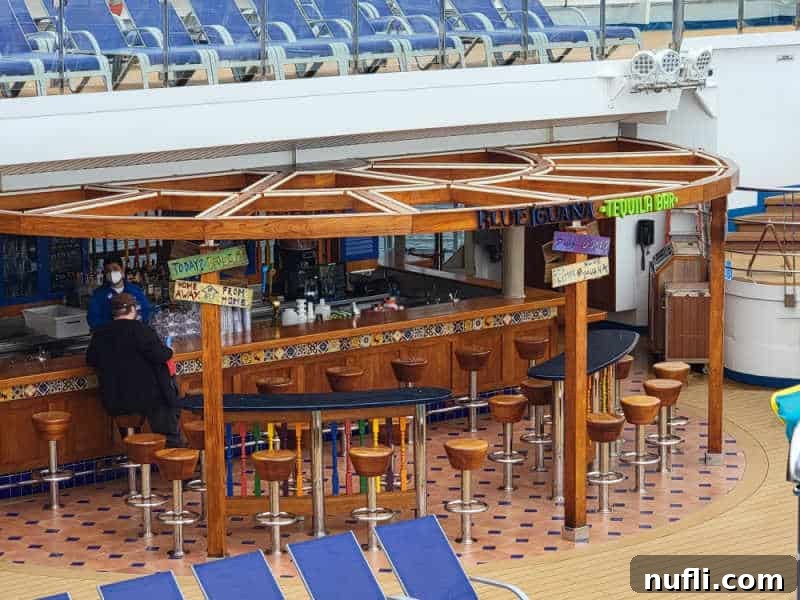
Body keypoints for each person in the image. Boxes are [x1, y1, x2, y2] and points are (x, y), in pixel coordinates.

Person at [87, 293, 182, 447]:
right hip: (148, 398)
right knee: (167, 429)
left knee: (132, 436)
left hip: (116, 400)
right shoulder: (142, 330)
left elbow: (90, 359)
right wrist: (170, 350)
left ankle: (135, 456)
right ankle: (172, 459)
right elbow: (160, 355)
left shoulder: (100, 334)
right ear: (133, 309)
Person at [87, 255, 152, 330]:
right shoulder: (98, 295)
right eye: (108, 271)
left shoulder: (135, 290)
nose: (111, 273)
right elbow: (93, 320)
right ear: (105, 273)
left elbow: (147, 311)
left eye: (115, 269)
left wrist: (136, 321)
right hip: (110, 337)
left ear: (122, 270)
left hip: (134, 335)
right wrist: (115, 325)